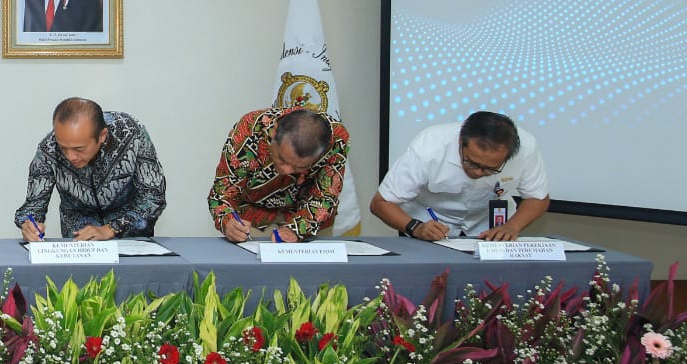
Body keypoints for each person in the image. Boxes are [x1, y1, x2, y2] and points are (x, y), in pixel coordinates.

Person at [371, 111, 550, 241]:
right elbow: (381, 203)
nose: (478, 173)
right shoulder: (430, 145)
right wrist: (416, 228)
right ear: (460, 142)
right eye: (472, 163)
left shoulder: (526, 149)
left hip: (491, 227)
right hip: (428, 225)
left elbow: (538, 198)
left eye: (490, 169)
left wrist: (512, 226)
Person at [15, 98, 167, 241]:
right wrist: (29, 225)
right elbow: (33, 206)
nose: (70, 156)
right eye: (63, 148)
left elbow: (153, 198)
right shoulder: (48, 148)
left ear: (102, 136)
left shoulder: (132, 133)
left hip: (132, 240)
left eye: (79, 149)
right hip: (79, 241)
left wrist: (111, 228)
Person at [208, 106, 349, 243]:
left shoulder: (336, 141)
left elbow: (325, 195)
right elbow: (222, 193)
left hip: (309, 216)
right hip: (254, 218)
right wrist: (227, 221)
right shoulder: (249, 130)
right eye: (282, 159)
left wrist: (297, 229)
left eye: (300, 167)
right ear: (274, 131)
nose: (286, 171)